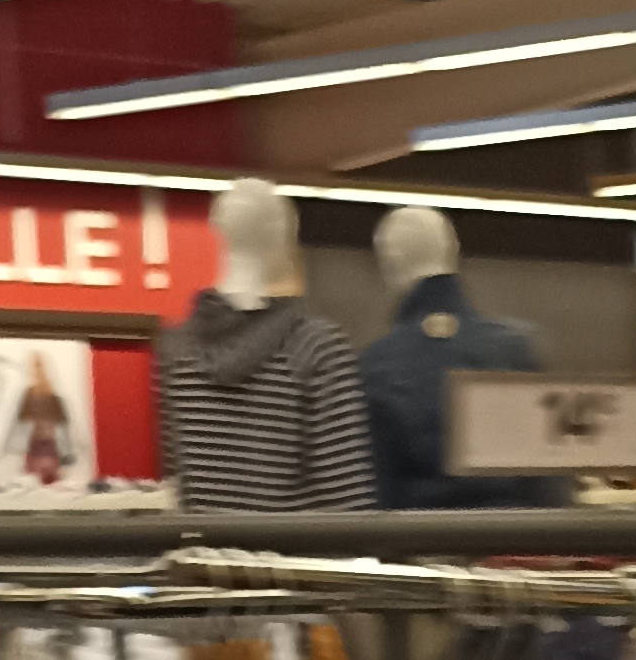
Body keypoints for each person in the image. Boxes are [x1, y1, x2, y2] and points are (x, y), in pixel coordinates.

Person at [156, 182, 374, 509]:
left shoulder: (176, 351)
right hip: (290, 544)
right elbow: (347, 501)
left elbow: (181, 488)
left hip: (204, 542)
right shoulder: (316, 347)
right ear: (280, 235)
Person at [357, 206, 545, 508]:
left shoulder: (375, 364)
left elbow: (376, 490)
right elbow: (545, 478)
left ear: (388, 264)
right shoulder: (515, 350)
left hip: (417, 532)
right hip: (513, 532)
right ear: (453, 252)